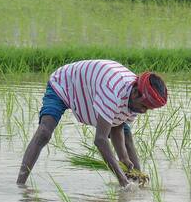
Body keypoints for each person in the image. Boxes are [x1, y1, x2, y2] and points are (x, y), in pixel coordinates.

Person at [16, 59, 167, 188]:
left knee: (127, 137)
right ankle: (20, 185)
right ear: (135, 93)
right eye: (144, 107)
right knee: (44, 133)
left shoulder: (137, 96)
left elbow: (117, 126)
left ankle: (137, 179)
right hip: (64, 84)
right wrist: (122, 179)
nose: (144, 111)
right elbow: (100, 140)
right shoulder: (113, 91)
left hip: (91, 90)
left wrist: (123, 159)